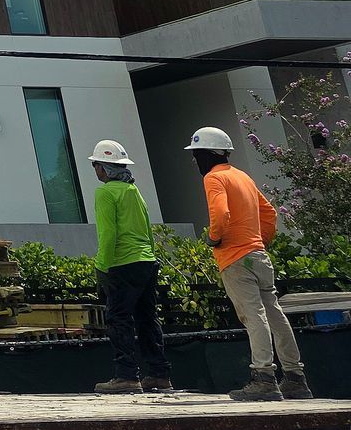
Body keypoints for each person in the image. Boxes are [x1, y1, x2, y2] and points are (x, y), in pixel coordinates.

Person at [187, 125, 310, 401]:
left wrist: (214, 237)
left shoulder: (214, 179)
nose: (195, 160)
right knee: (275, 314)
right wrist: (261, 242)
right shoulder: (242, 177)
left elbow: (220, 213)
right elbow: (269, 213)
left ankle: (264, 377)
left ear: (208, 154)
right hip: (258, 255)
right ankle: (295, 377)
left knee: (254, 316)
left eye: (196, 153)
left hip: (235, 258)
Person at [87, 140, 169, 394]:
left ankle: (126, 376)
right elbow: (146, 229)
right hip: (146, 262)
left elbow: (108, 234)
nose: (95, 170)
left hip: (121, 263)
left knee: (119, 318)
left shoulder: (105, 193)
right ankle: (158, 374)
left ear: (103, 168)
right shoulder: (134, 191)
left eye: (96, 165)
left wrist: (102, 267)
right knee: (147, 317)